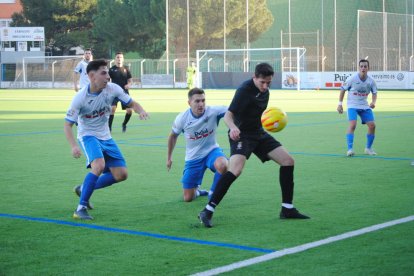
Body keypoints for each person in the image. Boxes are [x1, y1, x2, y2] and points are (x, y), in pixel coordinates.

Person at [198, 63, 309, 228]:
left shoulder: (266, 92)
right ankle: (207, 211)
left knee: (288, 161)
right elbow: (229, 115)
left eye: (268, 83)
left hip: (258, 133)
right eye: (262, 82)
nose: (265, 86)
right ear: (254, 77)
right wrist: (233, 128)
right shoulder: (244, 90)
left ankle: (287, 209)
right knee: (235, 169)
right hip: (241, 134)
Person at [64, 59, 149, 220]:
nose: (107, 76)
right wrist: (73, 146)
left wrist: (141, 110)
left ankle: (83, 189)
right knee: (99, 165)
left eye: (108, 72)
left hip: (106, 137)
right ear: (91, 76)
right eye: (103, 73)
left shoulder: (113, 89)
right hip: (88, 135)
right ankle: (80, 208)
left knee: (121, 174)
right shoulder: (80, 98)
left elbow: (131, 102)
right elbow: (67, 125)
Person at [167, 88, 228, 202]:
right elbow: (172, 136)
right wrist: (169, 157)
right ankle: (198, 191)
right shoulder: (182, 118)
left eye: (203, 100)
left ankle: (213, 194)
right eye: (197, 101)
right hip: (193, 158)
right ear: (189, 102)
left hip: (212, 152)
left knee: (223, 165)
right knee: (188, 198)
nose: (201, 104)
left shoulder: (213, 111)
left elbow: (233, 108)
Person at [337, 59, 378, 157]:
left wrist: (373, 102)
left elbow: (375, 93)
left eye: (365, 66)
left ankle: (368, 149)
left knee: (372, 126)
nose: (363, 68)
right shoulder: (352, 78)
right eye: (361, 66)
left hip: (364, 106)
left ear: (368, 68)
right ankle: (350, 149)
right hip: (352, 105)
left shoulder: (371, 81)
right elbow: (343, 90)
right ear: (358, 68)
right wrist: (340, 104)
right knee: (353, 125)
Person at [108, 52, 133, 132]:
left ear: (123, 59)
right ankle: (109, 128)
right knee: (112, 109)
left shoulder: (126, 69)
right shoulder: (111, 70)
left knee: (129, 111)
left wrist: (129, 85)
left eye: (121, 57)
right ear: (115, 59)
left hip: (124, 92)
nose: (119, 59)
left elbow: (130, 80)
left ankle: (124, 124)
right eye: (118, 57)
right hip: (114, 93)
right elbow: (107, 80)